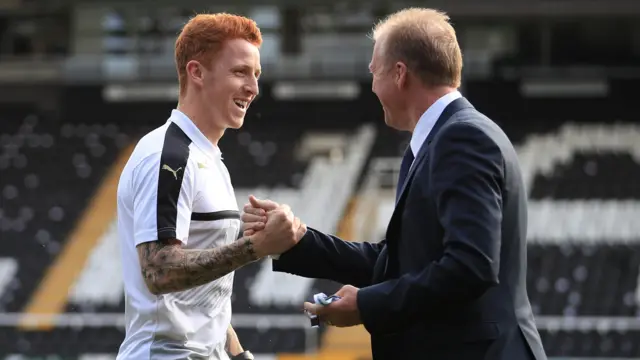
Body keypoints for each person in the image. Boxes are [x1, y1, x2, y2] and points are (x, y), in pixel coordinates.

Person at [242, 7, 547, 360]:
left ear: (400, 74)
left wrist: (368, 305)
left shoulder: (461, 138)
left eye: (374, 72)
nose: (372, 85)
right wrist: (296, 240)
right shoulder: (438, 142)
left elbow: (471, 267)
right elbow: (397, 261)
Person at [115, 13, 305, 360]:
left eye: (256, 75)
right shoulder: (169, 156)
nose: (254, 87)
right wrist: (256, 247)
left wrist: (236, 354)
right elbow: (159, 270)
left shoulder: (209, 159)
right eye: (240, 72)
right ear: (197, 72)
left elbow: (203, 297)